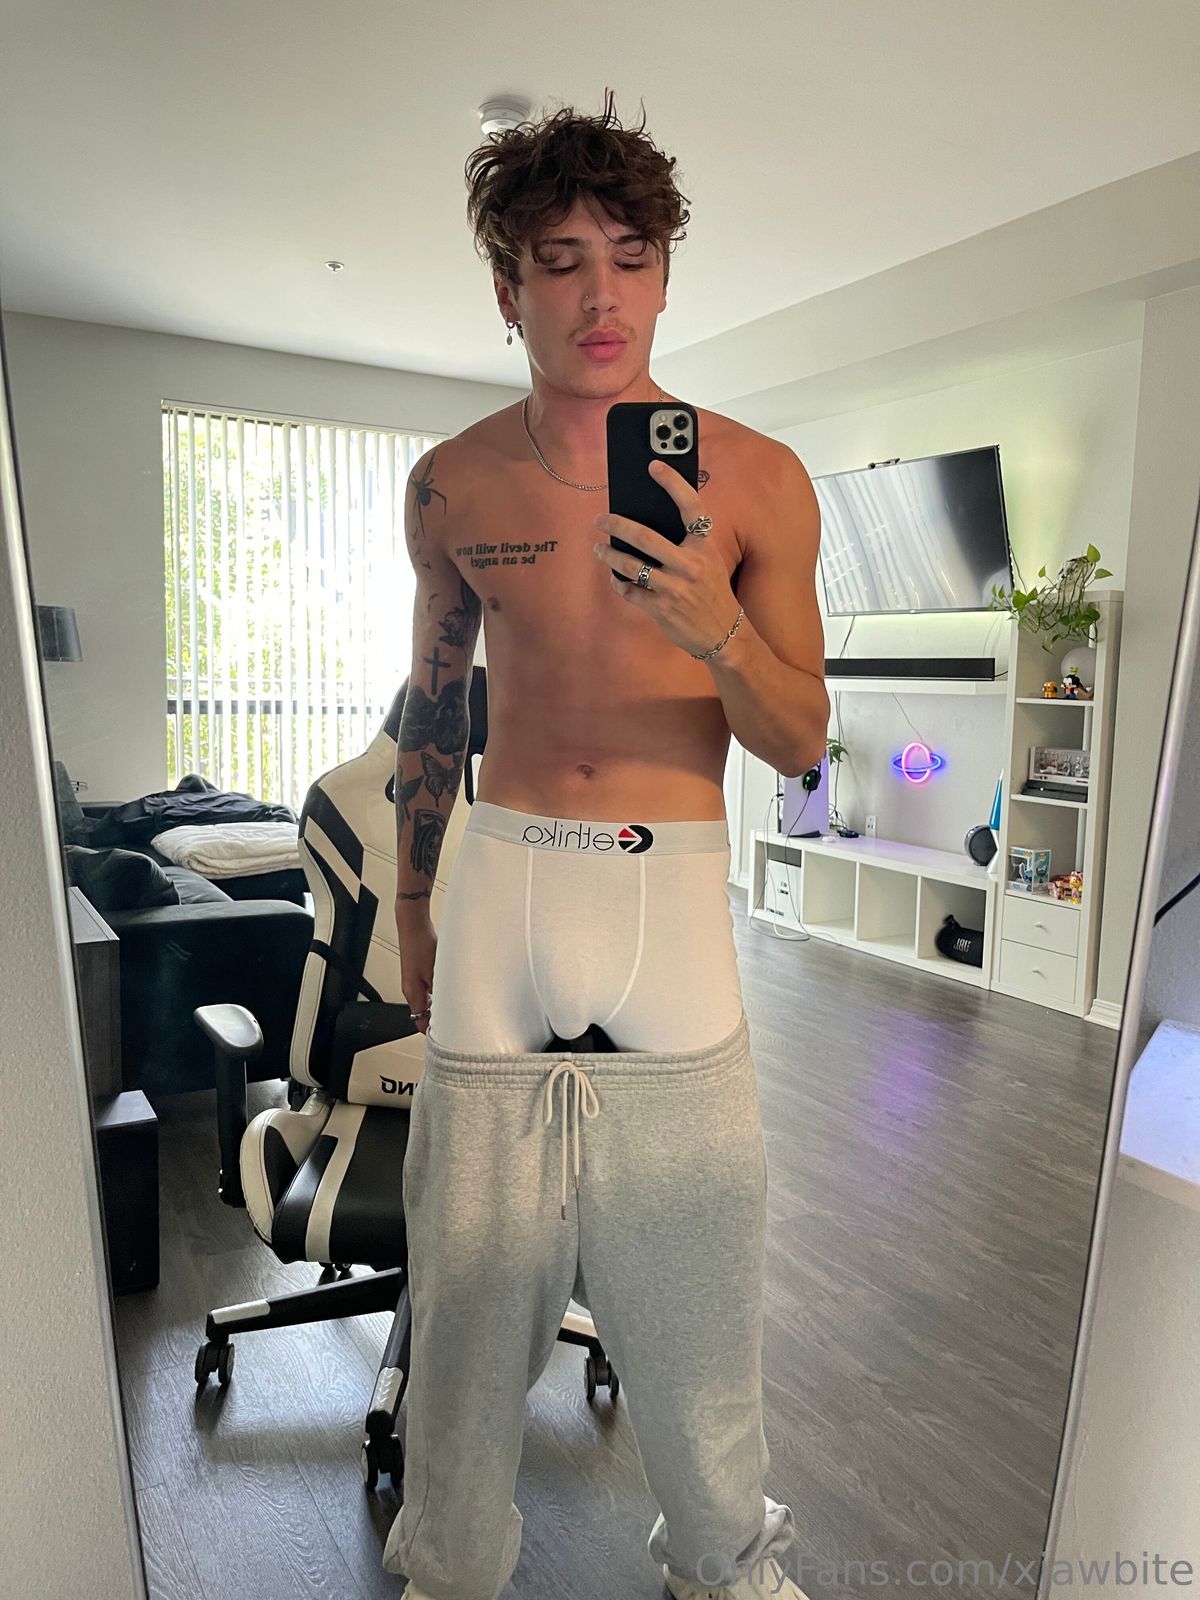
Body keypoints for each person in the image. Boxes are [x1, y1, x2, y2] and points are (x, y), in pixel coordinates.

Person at [383, 90, 828, 1600]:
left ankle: (726, 1565)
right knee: (467, 1286)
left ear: (666, 274)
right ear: (508, 288)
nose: (600, 298)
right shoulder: (454, 481)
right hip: (503, 881)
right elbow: (434, 705)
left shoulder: (756, 478)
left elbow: (801, 740)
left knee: (700, 1281)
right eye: (561, 262)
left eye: (631, 258)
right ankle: (448, 1566)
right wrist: (415, 899)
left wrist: (714, 629)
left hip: (671, 889)